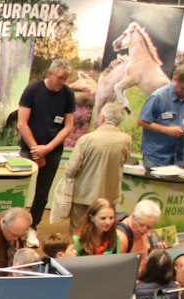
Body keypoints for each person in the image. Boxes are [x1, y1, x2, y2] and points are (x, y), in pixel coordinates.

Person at [17, 61, 77, 225]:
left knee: (42, 192)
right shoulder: (32, 90)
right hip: (28, 149)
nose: (62, 82)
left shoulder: (68, 94)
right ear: (50, 73)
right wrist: (36, 150)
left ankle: (32, 227)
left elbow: (68, 126)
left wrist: (48, 149)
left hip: (53, 151)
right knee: (19, 188)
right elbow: (22, 123)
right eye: (59, 78)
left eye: (65, 79)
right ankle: (14, 224)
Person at [63, 104, 132, 229]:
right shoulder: (126, 140)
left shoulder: (86, 139)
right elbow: (125, 160)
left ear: (102, 118)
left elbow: (71, 169)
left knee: (79, 230)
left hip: (84, 194)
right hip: (110, 195)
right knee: (103, 229)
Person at [140, 66, 184, 170]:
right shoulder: (158, 97)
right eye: (182, 88)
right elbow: (142, 121)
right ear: (176, 79)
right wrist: (166, 130)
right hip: (156, 157)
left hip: (179, 157)